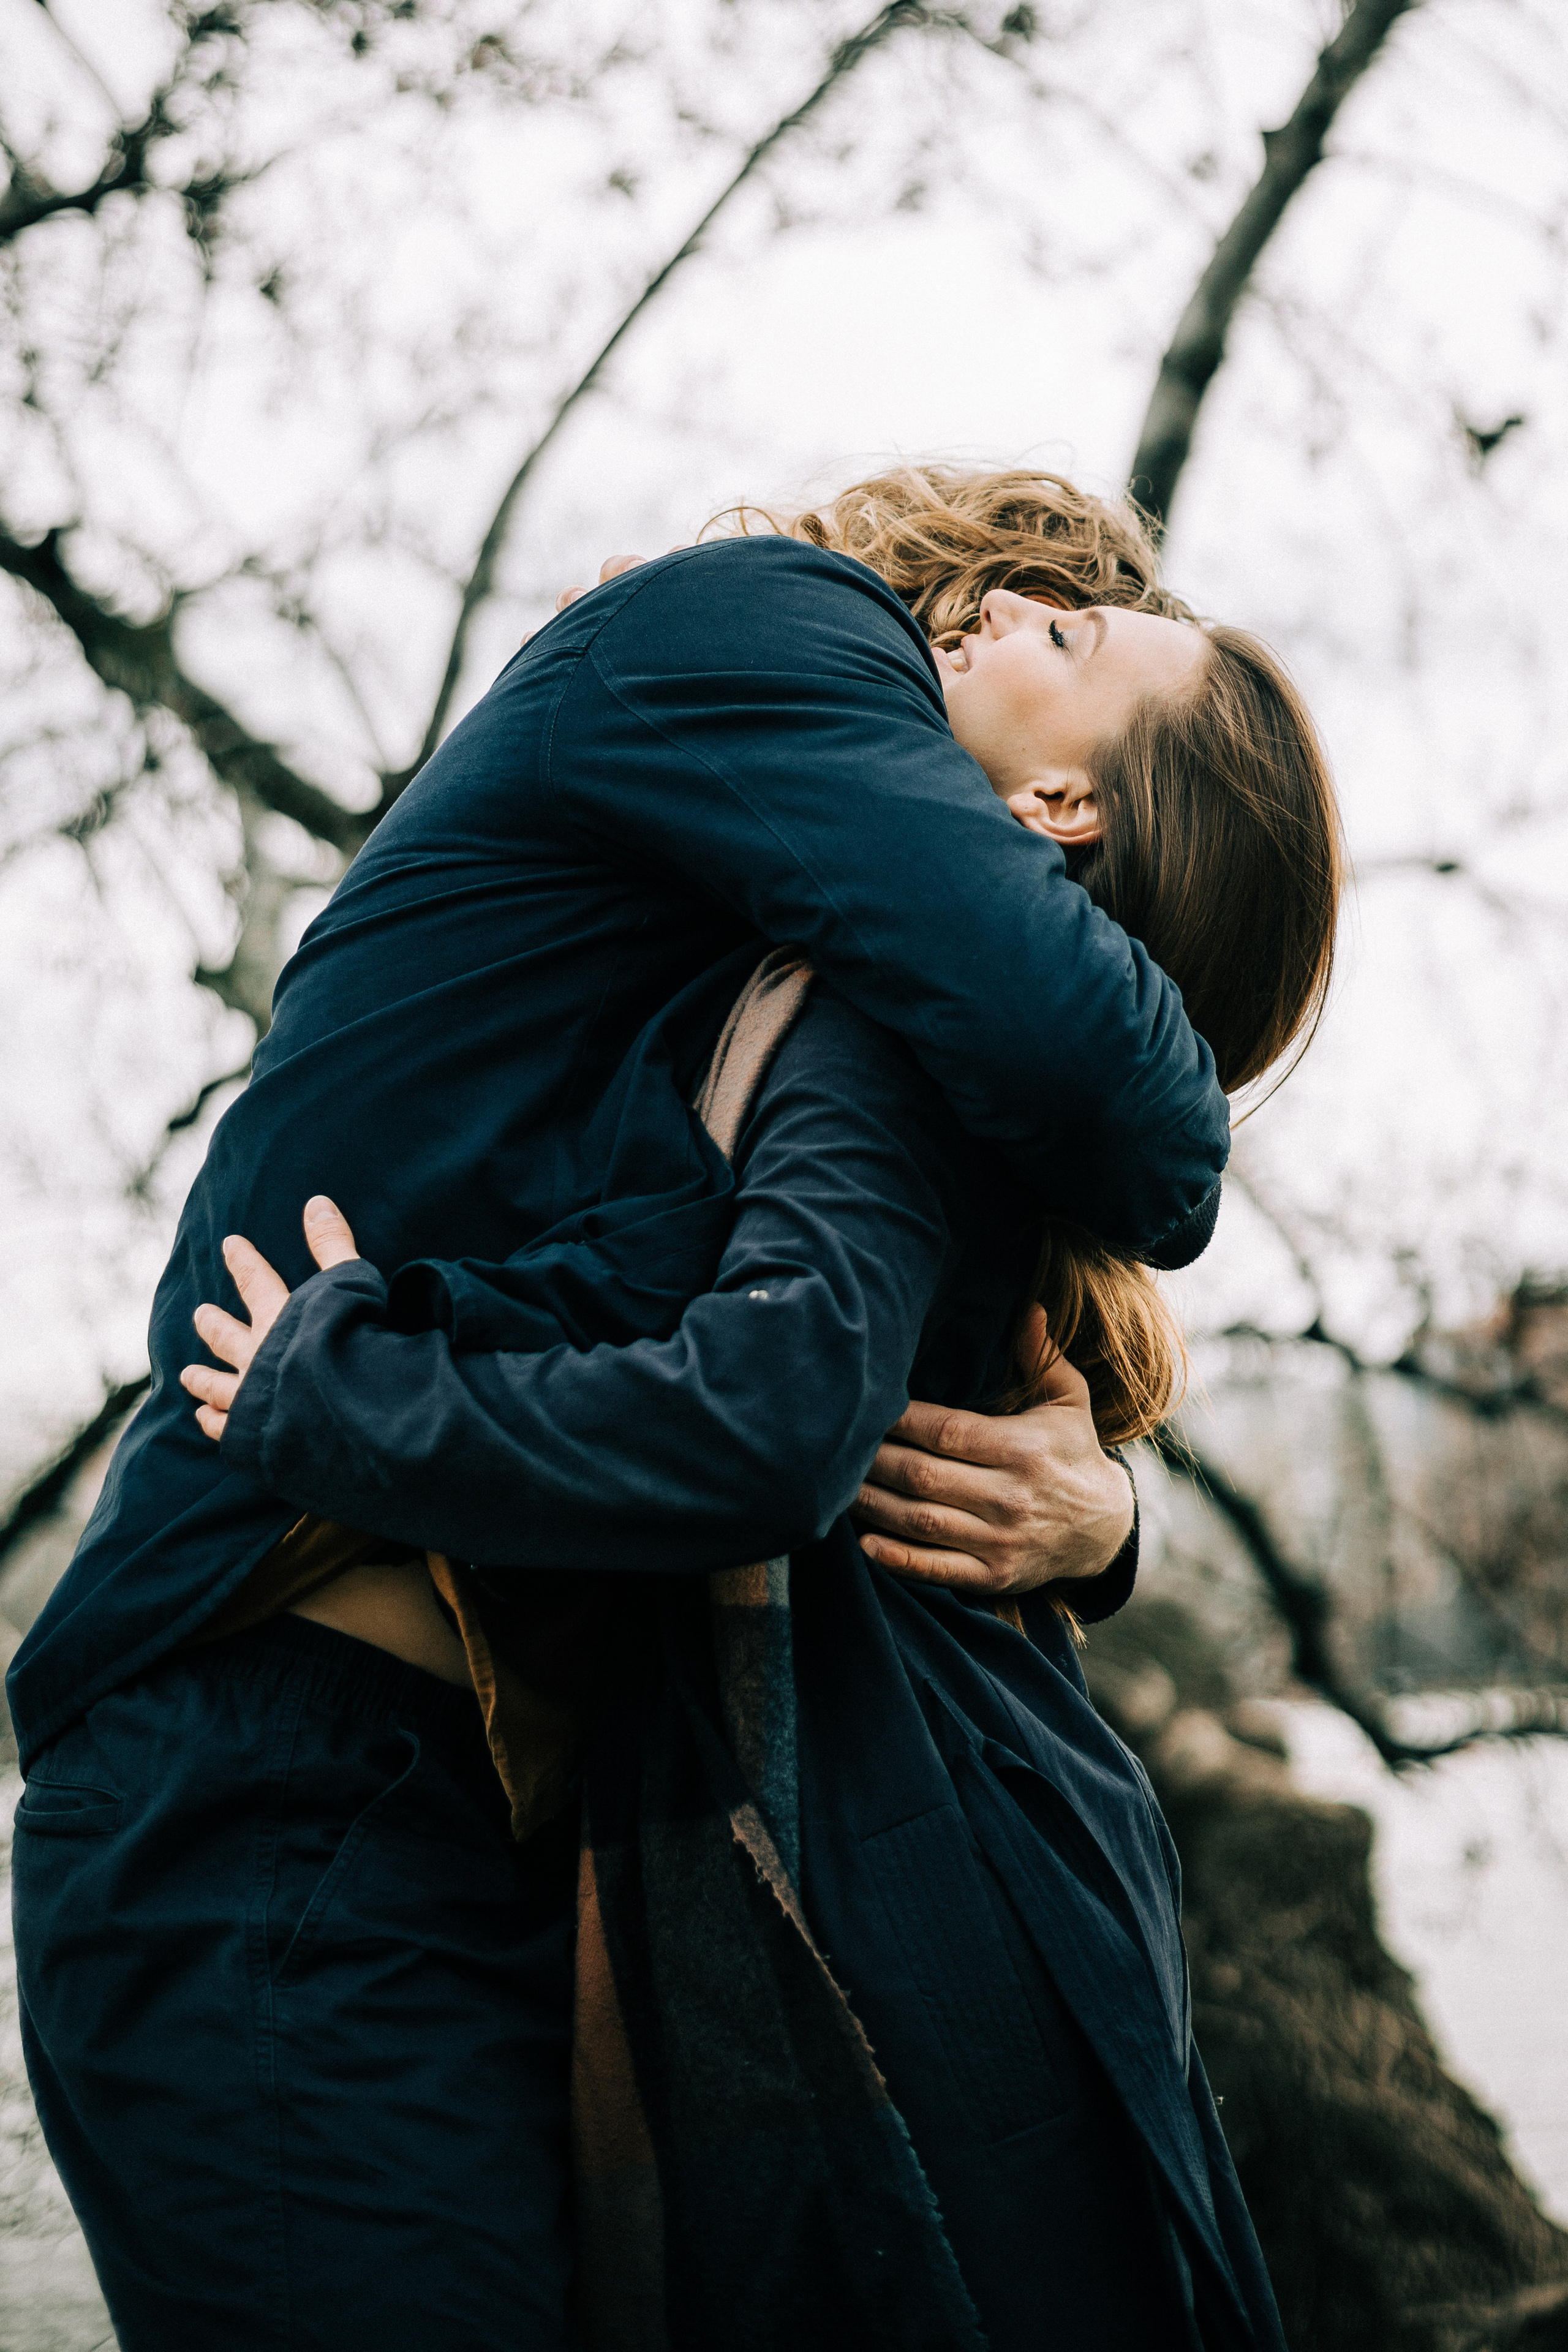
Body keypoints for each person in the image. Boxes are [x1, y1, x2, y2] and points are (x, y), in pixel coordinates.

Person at [9, 468, 1339, 2349]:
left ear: (1061, 811)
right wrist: (334, 1394)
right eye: (1019, 593)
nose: (995, 613)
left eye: (1065, 630)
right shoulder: (759, 629)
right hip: (271, 1757)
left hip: (484, 1819)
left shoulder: (840, 997)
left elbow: (819, 1403)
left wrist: (1115, 1520)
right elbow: (1119, 1148)